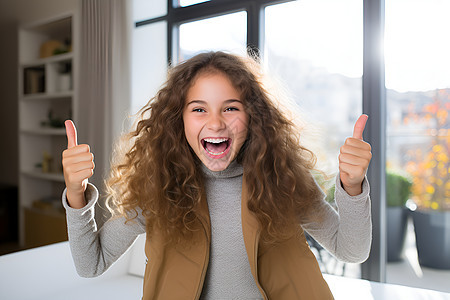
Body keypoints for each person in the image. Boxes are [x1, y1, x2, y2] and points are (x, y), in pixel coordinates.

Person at [62, 51, 372, 299]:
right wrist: (76, 193)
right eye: (199, 109)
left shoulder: (284, 181)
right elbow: (91, 264)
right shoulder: (156, 190)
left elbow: (351, 250)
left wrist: (353, 186)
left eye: (230, 108)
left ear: (254, 116)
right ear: (177, 119)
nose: (215, 124)